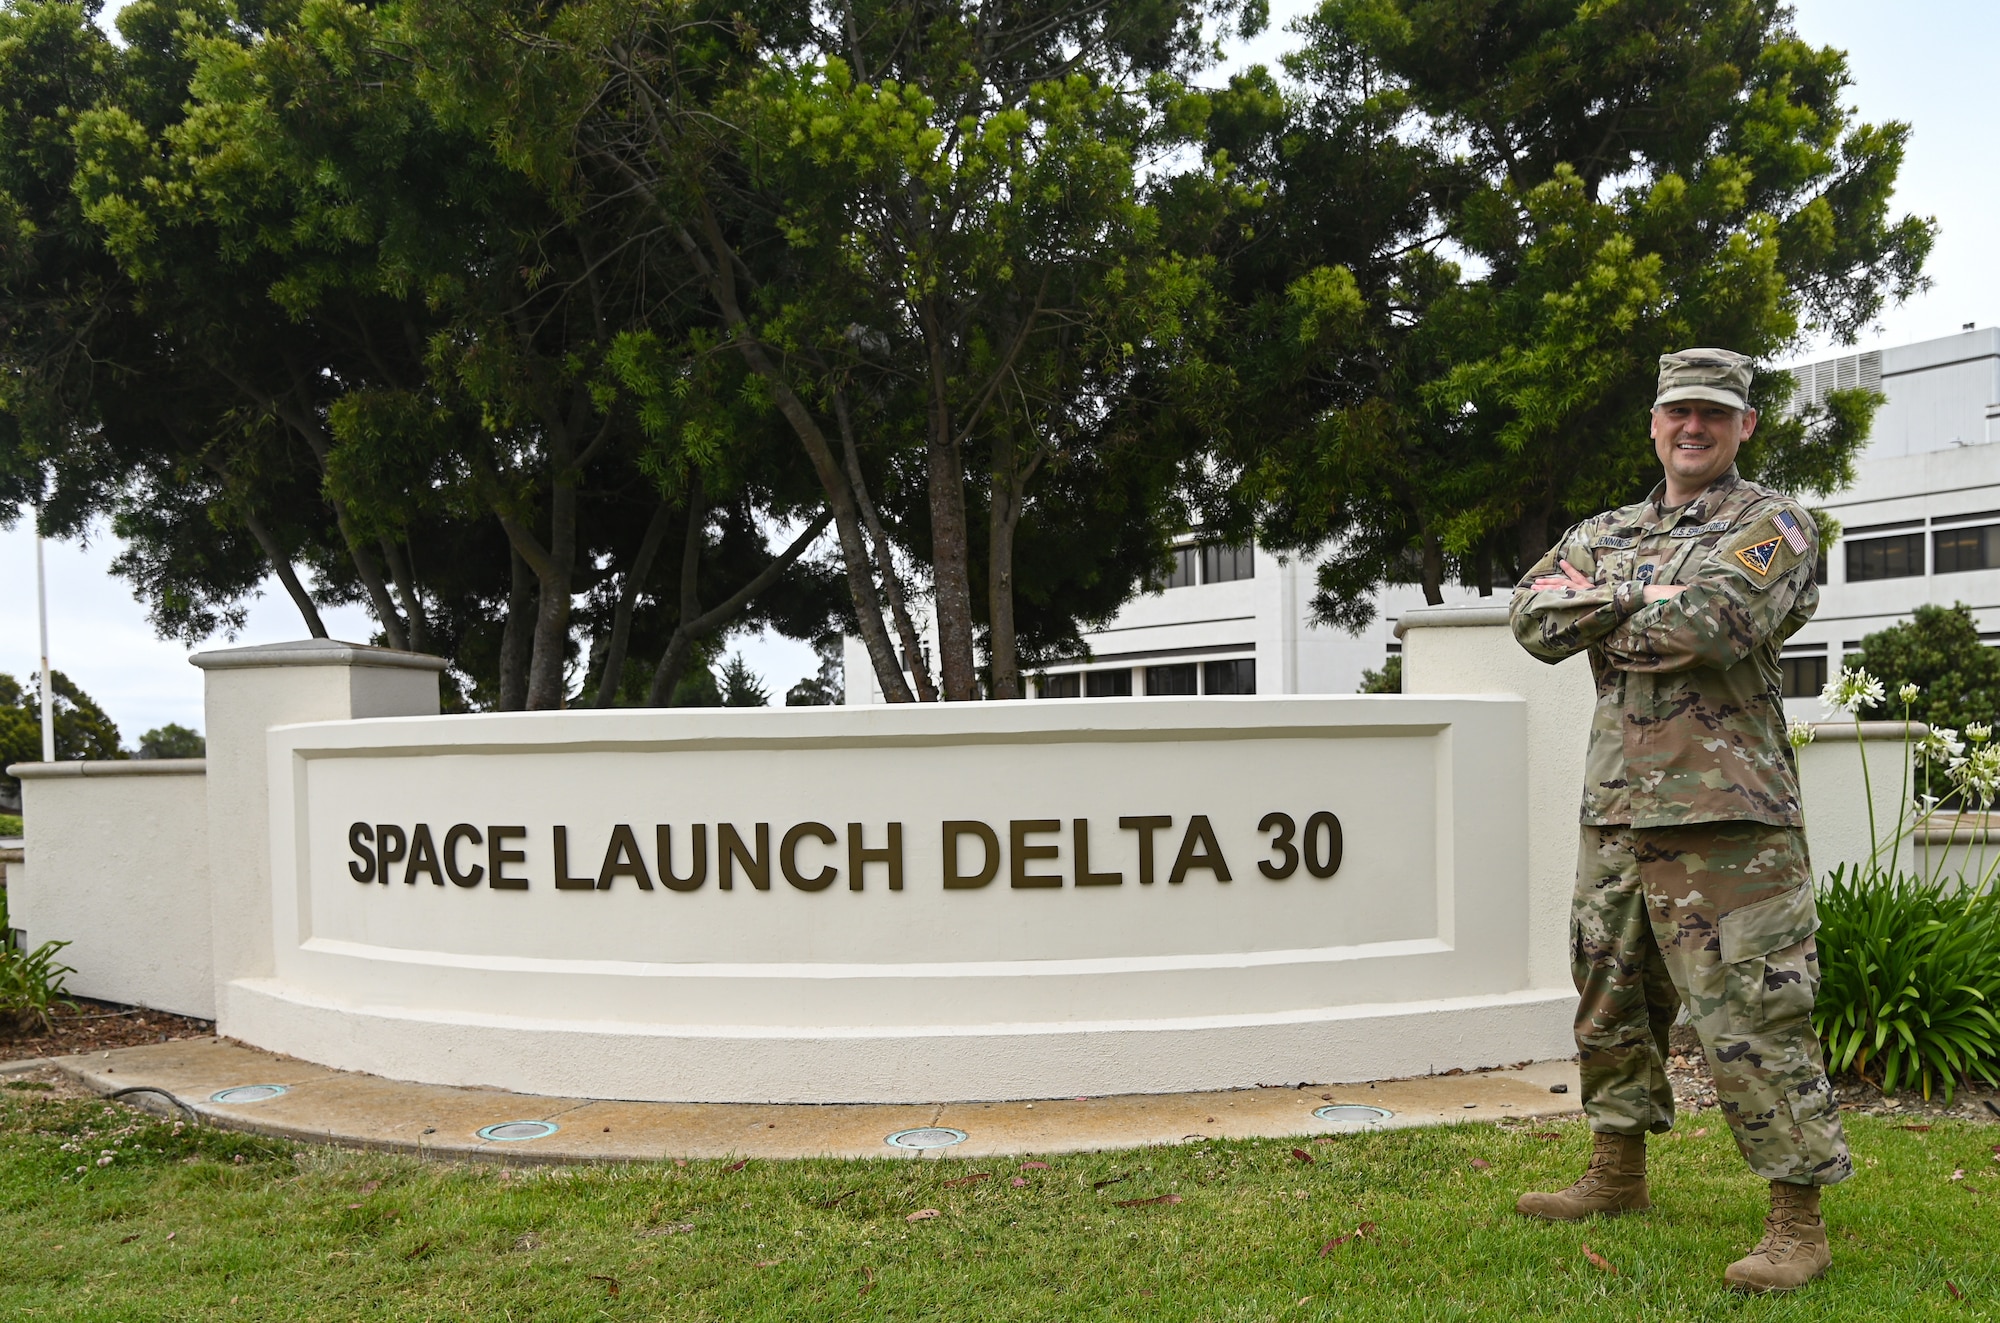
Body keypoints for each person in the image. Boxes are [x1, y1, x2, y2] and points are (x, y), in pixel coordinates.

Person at [1508, 348, 1851, 1294]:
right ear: (1654, 425)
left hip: (1729, 816)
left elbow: (1713, 624)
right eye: (1677, 413)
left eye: (1714, 412)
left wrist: (1604, 606)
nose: (1692, 427)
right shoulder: (1607, 528)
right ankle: (1616, 1174)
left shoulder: (1773, 522)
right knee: (1609, 997)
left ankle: (1796, 1222)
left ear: (1744, 425)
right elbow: (1530, 619)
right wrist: (1642, 596)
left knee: (1756, 1010)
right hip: (1616, 806)